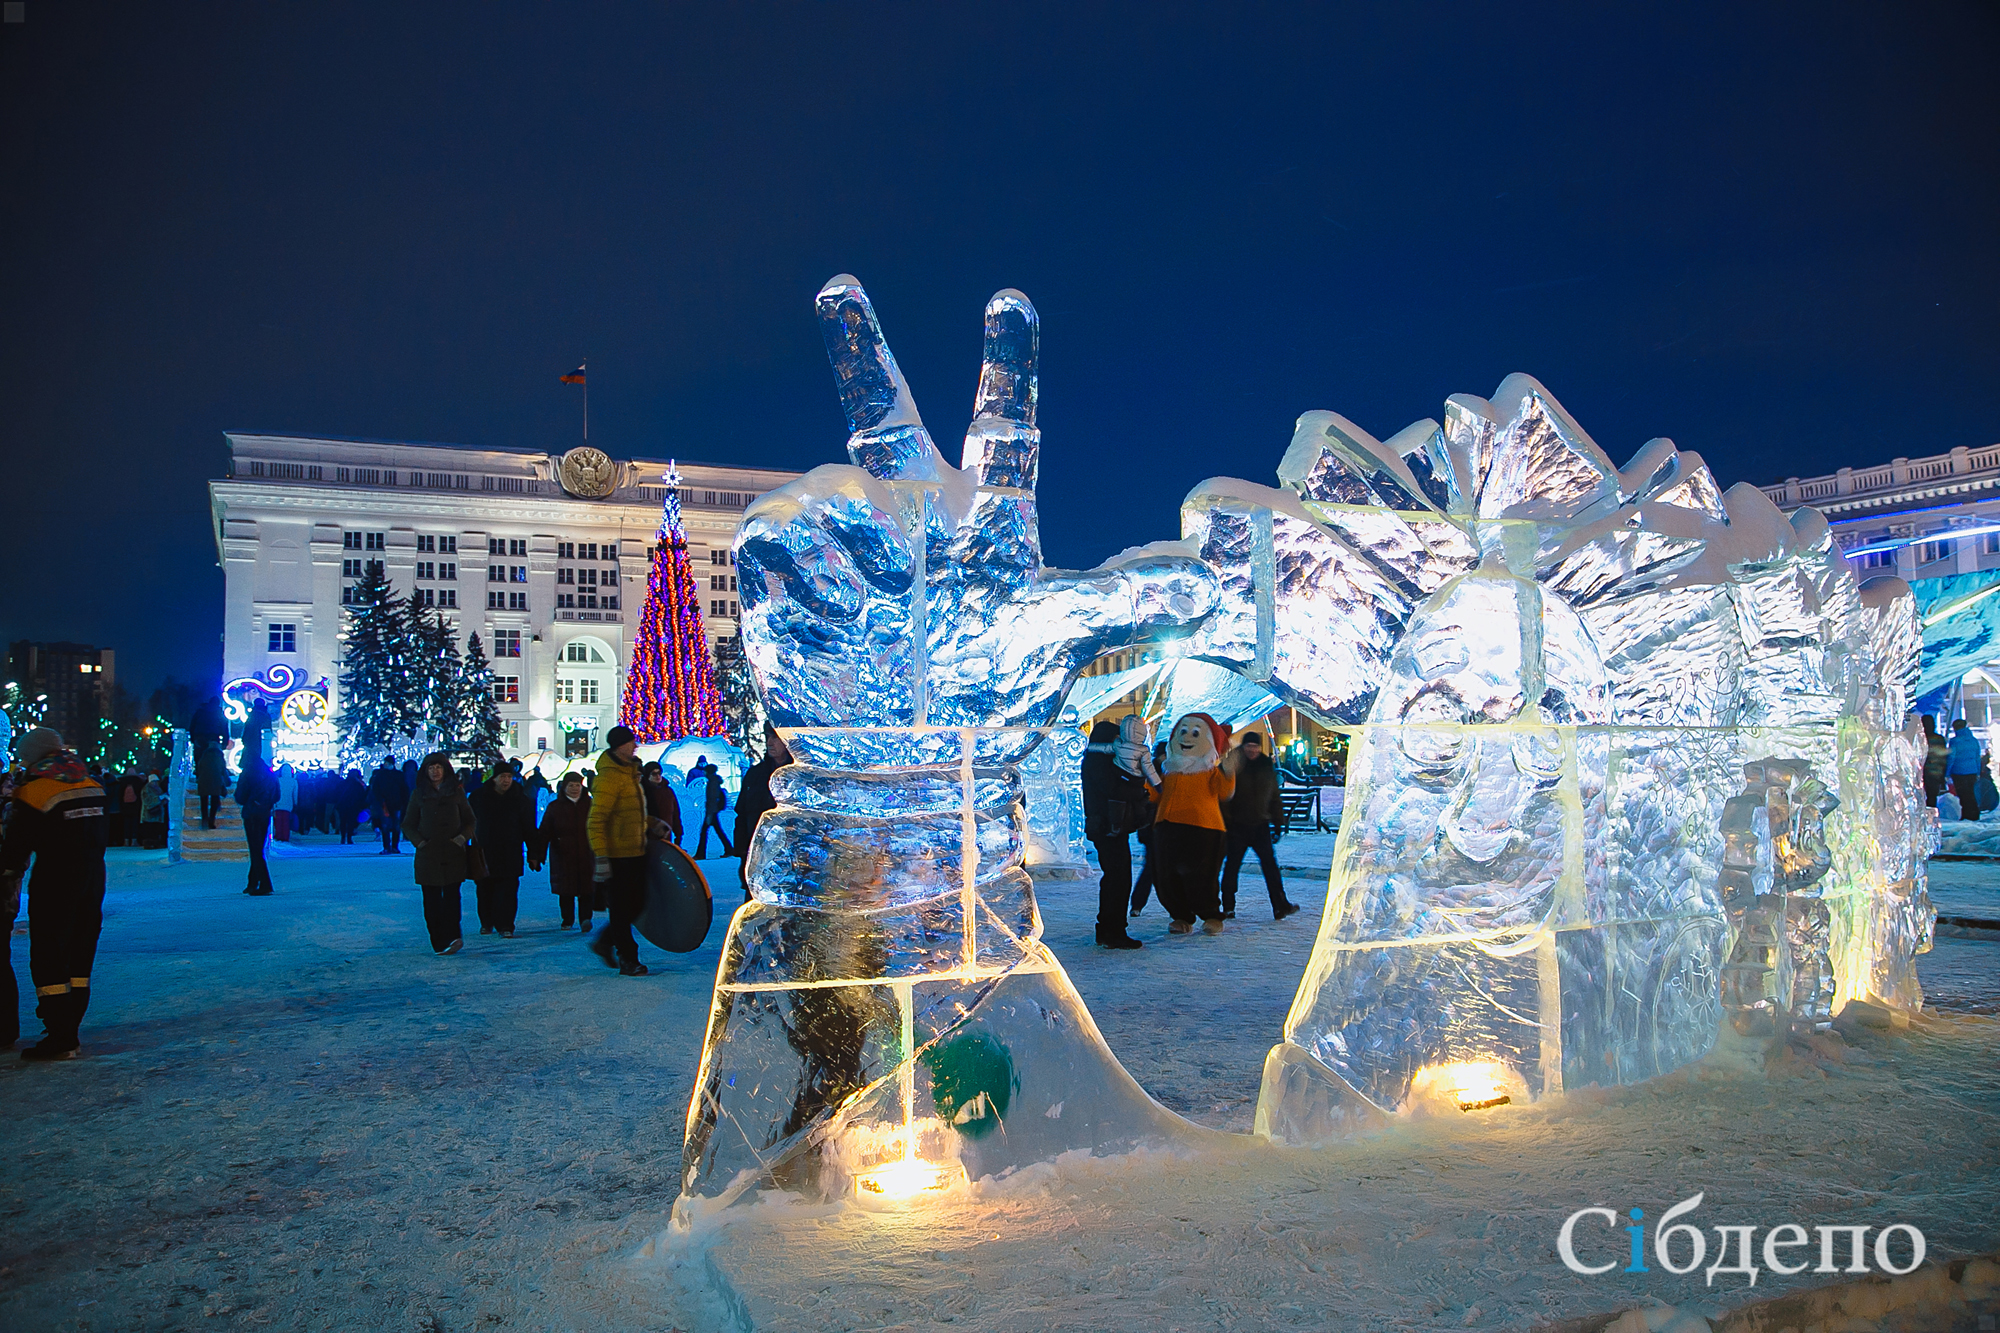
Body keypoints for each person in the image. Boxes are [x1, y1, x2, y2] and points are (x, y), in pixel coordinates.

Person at [0, 728, 109, 1059]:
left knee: (50, 954)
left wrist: (7, 878)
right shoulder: (92, 785)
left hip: (55, 882)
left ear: (34, 756)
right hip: (93, 880)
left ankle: (59, 1037)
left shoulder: (34, 792)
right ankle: (70, 1030)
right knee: (80, 953)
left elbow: (17, 849)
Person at [1151, 712, 1239, 935]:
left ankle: (1211, 915)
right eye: (1183, 731)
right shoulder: (1168, 771)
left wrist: (1228, 772)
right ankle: (1181, 915)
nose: (1187, 737)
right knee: (1167, 876)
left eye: (1195, 733)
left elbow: (1224, 792)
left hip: (1204, 828)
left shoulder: (1209, 771)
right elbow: (1154, 794)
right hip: (1167, 826)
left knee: (1201, 876)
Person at [588, 725, 664, 976]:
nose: (636, 746)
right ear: (620, 746)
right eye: (631, 742)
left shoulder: (631, 772)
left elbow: (629, 814)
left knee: (637, 904)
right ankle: (628, 958)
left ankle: (604, 942)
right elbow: (596, 820)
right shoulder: (609, 777)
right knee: (622, 908)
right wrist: (601, 856)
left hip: (636, 851)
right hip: (617, 855)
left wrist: (652, 823)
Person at [1081, 718, 1152, 949]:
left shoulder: (1097, 760)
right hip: (1107, 826)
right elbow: (1115, 788)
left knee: (1116, 878)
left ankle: (1108, 929)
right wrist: (1138, 791)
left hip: (1108, 825)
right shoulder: (1099, 762)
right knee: (1118, 879)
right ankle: (1113, 930)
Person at [1220, 731, 1302, 921]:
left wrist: (1278, 821)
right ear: (1244, 746)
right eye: (1249, 746)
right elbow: (1224, 795)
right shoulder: (1235, 763)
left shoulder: (1265, 764)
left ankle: (1280, 905)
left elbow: (1273, 795)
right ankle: (1228, 906)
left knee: (1270, 866)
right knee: (1232, 866)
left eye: (1255, 747)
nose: (1252, 750)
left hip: (1260, 824)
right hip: (1237, 825)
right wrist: (1227, 820)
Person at [403, 752, 475, 954]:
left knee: (452, 898)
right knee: (432, 901)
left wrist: (461, 838)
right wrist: (419, 842)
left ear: (446, 770)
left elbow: (470, 820)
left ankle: (454, 936)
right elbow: (408, 824)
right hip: (429, 856)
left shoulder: (457, 793)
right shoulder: (418, 794)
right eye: (431, 768)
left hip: (453, 854)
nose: (435, 772)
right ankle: (438, 941)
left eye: (439, 767)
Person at [468, 762, 536, 938]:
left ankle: (506, 924)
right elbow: (468, 822)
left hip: (511, 851)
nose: (506, 780)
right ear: (494, 778)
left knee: (508, 890)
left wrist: (534, 853)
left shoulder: (521, 798)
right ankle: (487, 922)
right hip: (485, 851)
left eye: (509, 777)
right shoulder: (478, 797)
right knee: (485, 889)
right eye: (502, 777)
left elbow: (528, 827)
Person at [733, 726, 790, 901]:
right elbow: (742, 814)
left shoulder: (796, 774)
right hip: (757, 857)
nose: (769, 742)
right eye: (767, 736)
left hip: (789, 860)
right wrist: (743, 850)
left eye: (775, 737)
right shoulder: (756, 774)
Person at [539, 771, 595, 930]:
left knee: (587, 888)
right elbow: (545, 832)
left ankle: (586, 918)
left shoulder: (590, 805)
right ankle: (567, 919)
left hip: (586, 853)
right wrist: (538, 854)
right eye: (571, 785)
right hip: (563, 854)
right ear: (564, 787)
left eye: (577, 785)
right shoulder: (555, 807)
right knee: (566, 889)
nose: (575, 788)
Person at [235, 741, 278, 896]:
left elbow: (240, 797)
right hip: (265, 814)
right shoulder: (269, 773)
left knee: (255, 850)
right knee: (258, 848)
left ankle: (265, 884)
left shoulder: (247, 773)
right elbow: (277, 795)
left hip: (251, 814)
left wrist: (251, 801)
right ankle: (253, 882)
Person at [686, 757, 734, 859]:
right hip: (713, 811)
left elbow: (712, 798)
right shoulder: (714, 781)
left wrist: (709, 814)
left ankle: (701, 854)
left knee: (705, 832)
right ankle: (728, 849)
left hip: (711, 812)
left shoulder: (712, 782)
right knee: (717, 831)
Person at [642, 761, 685, 849]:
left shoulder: (668, 791)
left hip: (665, 835)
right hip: (646, 837)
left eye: (659, 773)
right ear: (647, 775)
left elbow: (675, 813)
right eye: (654, 774)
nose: (658, 776)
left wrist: (678, 833)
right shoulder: (642, 791)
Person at [369, 759, 409, 853]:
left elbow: (404, 790)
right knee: (387, 825)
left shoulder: (387, 775)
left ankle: (393, 846)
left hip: (393, 804)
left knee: (393, 826)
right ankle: (388, 846)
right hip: (387, 804)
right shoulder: (385, 775)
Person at [1947, 719, 1982, 819]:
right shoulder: (1973, 740)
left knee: (1963, 794)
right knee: (1972, 793)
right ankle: (1975, 813)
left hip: (1958, 772)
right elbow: (1977, 757)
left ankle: (1966, 814)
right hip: (1973, 771)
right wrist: (1978, 772)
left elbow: (1951, 758)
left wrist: (1947, 773)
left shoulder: (1954, 741)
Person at [195, 741, 228, 829]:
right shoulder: (219, 756)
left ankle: (204, 819)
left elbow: (199, 767)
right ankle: (211, 821)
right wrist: (226, 780)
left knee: (204, 801)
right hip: (215, 781)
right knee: (214, 801)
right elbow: (223, 769)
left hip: (203, 780)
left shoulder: (204, 755)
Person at [335, 768, 368, 844]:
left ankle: (343, 837)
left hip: (343, 805)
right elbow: (362, 795)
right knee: (351, 821)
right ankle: (349, 837)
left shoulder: (342, 783)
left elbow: (336, 794)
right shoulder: (358, 785)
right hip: (354, 805)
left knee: (343, 821)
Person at [1922, 714, 1948, 808]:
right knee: (1932, 795)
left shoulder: (1920, 738)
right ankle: (1931, 812)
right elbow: (1943, 756)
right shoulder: (1939, 738)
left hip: (1922, 769)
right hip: (1936, 770)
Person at [138, 773, 168, 849]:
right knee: (149, 830)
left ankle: (155, 843)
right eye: (154, 781)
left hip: (157, 814)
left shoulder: (157, 788)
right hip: (149, 814)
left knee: (155, 830)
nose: (155, 783)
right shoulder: (146, 789)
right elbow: (148, 801)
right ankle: (149, 843)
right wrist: (160, 798)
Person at [273, 762, 298, 842]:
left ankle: (278, 836)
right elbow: (295, 794)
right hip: (288, 804)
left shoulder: (278, 780)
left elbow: (274, 792)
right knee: (286, 822)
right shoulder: (293, 781)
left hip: (278, 804)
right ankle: (285, 837)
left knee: (278, 822)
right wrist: (295, 803)